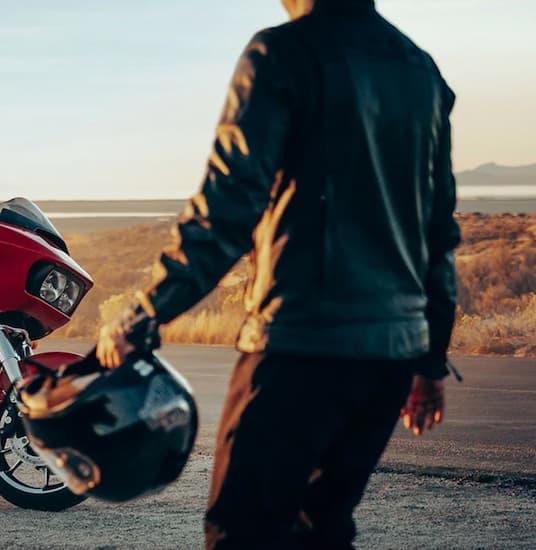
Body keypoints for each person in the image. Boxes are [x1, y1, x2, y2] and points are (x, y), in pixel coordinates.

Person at [93, 0, 460, 547]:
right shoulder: (421, 70)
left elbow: (226, 210)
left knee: (241, 534)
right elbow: (438, 233)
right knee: (325, 530)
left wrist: (144, 313)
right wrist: (428, 362)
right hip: (391, 359)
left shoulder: (280, 54)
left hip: (299, 350)